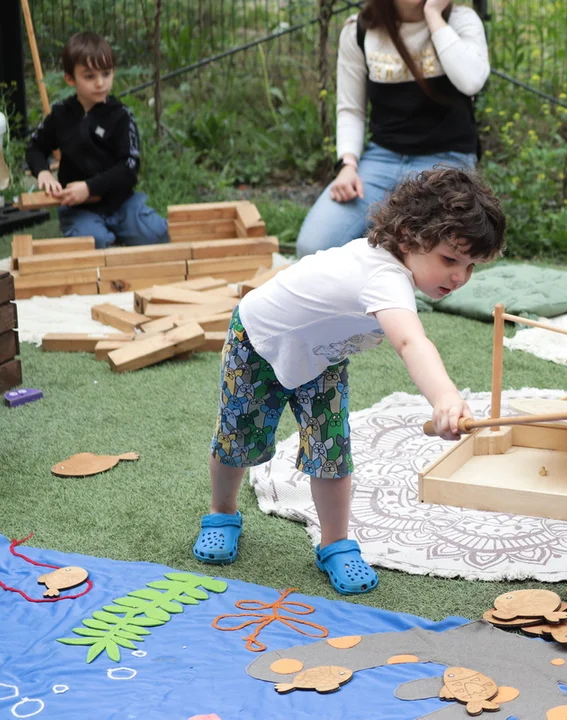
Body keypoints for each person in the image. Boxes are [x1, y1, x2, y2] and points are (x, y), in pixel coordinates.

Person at [192, 168, 505, 595]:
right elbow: (411, 342)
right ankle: (221, 512)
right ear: (409, 236)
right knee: (237, 442)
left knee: (332, 453)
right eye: (450, 260)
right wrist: (445, 396)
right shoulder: (384, 278)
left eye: (470, 266)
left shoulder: (394, 267)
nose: (459, 278)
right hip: (259, 344)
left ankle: (335, 542)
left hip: (322, 359)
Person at [295, 0, 489, 258]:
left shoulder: (460, 20)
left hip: (446, 161)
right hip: (381, 158)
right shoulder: (359, 30)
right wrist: (347, 166)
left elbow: (472, 81)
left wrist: (433, 15)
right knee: (312, 247)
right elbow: (351, 109)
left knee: (420, 255)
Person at [25, 31, 168, 250]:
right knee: (95, 242)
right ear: (70, 79)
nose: (100, 83)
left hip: (122, 204)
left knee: (158, 234)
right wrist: (43, 172)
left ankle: (121, 231)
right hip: (79, 209)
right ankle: (100, 236)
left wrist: (90, 187)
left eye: (106, 73)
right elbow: (35, 148)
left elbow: (129, 167)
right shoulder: (61, 114)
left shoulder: (120, 115)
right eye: (89, 76)